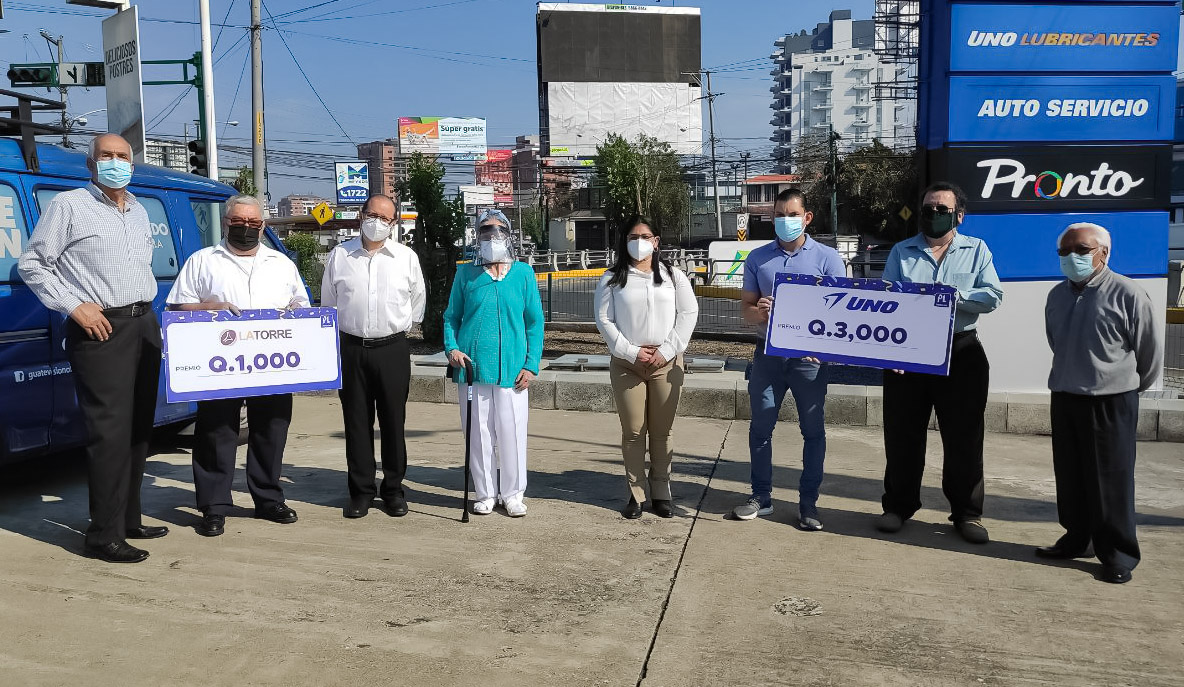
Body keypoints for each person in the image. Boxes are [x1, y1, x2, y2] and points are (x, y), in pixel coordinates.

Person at [18, 133, 166, 563]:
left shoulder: (138, 210)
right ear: (91, 164)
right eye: (106, 155)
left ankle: (128, 518)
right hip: (101, 328)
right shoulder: (69, 205)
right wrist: (74, 306)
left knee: (139, 428)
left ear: (132, 165)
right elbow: (33, 264)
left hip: (144, 323)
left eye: (122, 156)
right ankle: (102, 535)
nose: (115, 162)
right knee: (109, 433)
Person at [166, 194, 309, 537]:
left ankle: (268, 498)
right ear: (226, 222)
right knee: (216, 432)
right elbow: (177, 308)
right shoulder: (202, 261)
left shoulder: (280, 263)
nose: (246, 228)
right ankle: (214, 506)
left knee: (272, 428)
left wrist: (295, 312)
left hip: (272, 362)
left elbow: (301, 302)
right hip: (219, 363)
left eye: (253, 223)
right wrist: (209, 308)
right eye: (239, 222)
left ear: (263, 226)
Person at [876, 181, 1003, 544]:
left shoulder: (977, 250)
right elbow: (886, 301)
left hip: (961, 352)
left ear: (958, 216)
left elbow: (993, 296)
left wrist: (953, 296)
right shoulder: (902, 251)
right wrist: (891, 352)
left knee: (965, 438)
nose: (933, 214)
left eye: (941, 210)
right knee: (902, 435)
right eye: (928, 209)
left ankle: (967, 513)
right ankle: (898, 506)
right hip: (908, 354)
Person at [1041, 223, 1162, 584]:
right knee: (1071, 476)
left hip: (1111, 400)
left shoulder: (1128, 293)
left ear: (1103, 253)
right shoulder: (1056, 295)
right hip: (1066, 396)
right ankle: (1077, 539)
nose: (1071, 257)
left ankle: (1118, 554)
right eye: (1064, 251)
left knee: (1111, 480)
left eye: (1081, 250)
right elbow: (1056, 341)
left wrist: (1124, 386)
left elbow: (1149, 353)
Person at [733, 188, 846, 530]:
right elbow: (746, 311)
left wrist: (821, 347)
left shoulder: (828, 259)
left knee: (812, 431)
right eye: (780, 215)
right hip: (768, 355)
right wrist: (760, 312)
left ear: (807, 218)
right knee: (760, 428)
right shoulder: (758, 259)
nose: (786, 221)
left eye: (792, 215)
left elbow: (842, 313)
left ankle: (808, 504)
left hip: (809, 361)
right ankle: (761, 496)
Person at [320, 195, 425, 519]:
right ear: (360, 215)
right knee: (356, 423)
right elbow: (329, 303)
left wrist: (396, 329)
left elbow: (417, 303)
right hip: (351, 349)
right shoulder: (340, 255)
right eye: (372, 214)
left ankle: (393, 490)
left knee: (393, 422)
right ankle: (361, 491)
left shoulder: (406, 258)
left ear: (394, 223)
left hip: (392, 349)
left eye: (385, 218)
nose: (377, 222)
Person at [594, 215, 699, 519]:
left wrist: (666, 351)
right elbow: (604, 319)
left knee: (662, 432)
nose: (639, 242)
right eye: (633, 237)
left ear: (656, 242)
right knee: (633, 431)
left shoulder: (673, 276)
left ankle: (662, 491)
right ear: (624, 241)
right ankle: (636, 493)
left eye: (645, 236)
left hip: (666, 363)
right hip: (628, 364)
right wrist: (631, 352)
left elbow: (688, 313)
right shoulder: (612, 278)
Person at [443, 209, 543, 517]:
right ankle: (485, 493)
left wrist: (531, 364)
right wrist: (452, 348)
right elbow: (451, 317)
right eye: (486, 230)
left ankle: (513, 494)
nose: (492, 236)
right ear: (477, 237)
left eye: (499, 230)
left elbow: (534, 322)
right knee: (478, 434)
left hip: (513, 370)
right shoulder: (466, 274)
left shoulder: (523, 274)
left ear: (509, 235)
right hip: (473, 369)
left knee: (512, 434)